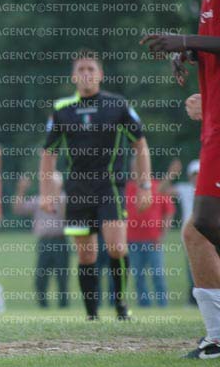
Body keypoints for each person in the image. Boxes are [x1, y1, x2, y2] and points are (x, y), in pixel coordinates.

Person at [140, 0, 220, 365]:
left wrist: (185, 38)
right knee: (198, 229)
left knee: (205, 223)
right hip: (212, 122)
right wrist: (189, 51)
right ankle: (217, 337)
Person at [40, 51, 152, 320]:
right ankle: (92, 315)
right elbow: (48, 154)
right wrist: (47, 193)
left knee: (117, 247)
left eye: (91, 69)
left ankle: (121, 306)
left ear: (100, 75)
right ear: (73, 76)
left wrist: (145, 185)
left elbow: (140, 145)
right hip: (77, 190)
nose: (86, 74)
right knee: (86, 255)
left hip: (109, 186)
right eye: (81, 69)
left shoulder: (117, 105)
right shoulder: (62, 109)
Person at [12, 173, 69, 308]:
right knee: (40, 279)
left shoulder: (64, 198)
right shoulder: (40, 200)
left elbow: (65, 215)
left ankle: (63, 308)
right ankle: (44, 308)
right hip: (44, 242)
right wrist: (21, 189)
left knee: (62, 279)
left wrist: (56, 195)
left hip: (60, 241)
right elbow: (18, 209)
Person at [125, 177, 175, 307]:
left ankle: (163, 306)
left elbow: (169, 212)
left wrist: (162, 235)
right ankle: (144, 307)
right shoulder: (127, 188)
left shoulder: (157, 186)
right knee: (138, 277)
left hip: (153, 240)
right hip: (132, 241)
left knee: (157, 274)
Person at [159, 157, 200, 305]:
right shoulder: (185, 188)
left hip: (208, 235)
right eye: (194, 175)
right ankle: (193, 300)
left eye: (199, 174)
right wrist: (171, 175)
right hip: (189, 236)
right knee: (192, 269)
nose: (196, 178)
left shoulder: (210, 189)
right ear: (189, 176)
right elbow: (161, 191)